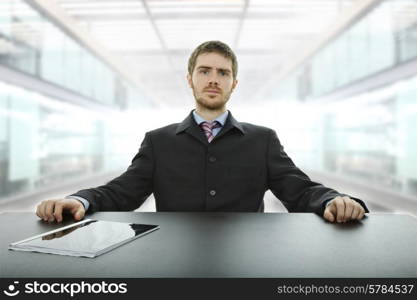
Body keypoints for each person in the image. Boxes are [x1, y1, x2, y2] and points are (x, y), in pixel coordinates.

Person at [36, 41, 368, 224]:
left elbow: (299, 190)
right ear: (190, 79)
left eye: (223, 73)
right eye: (204, 70)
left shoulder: (262, 140)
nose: (213, 79)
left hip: (246, 266)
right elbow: (121, 192)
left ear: (233, 84)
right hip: (172, 265)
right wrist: (78, 199)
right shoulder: (159, 141)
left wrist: (332, 200)